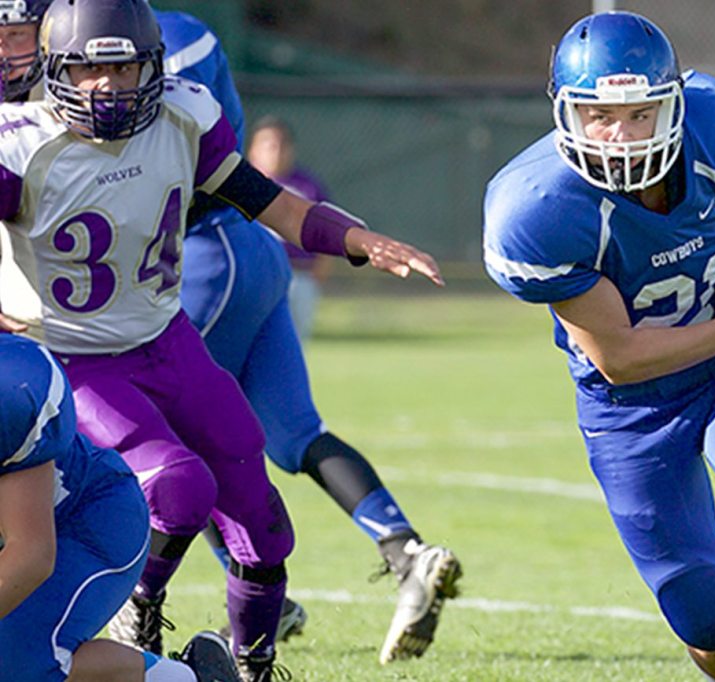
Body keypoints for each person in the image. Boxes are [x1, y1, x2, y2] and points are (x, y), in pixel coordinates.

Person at [0, 0, 442, 679]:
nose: (107, 87)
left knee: (263, 526)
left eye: (124, 69)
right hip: (73, 358)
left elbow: (271, 202)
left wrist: (357, 239)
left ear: (152, 68)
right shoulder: (20, 144)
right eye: (89, 70)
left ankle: (252, 666)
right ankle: (141, 610)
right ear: (57, 70)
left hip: (167, 340)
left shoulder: (182, 115)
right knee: (178, 487)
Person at [484, 11, 715, 682]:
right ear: (566, 113)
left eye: (641, 113)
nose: (622, 135)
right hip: (631, 408)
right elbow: (620, 358)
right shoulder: (537, 208)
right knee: (706, 619)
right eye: (600, 115)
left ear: (674, 103)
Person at [156, 9, 462, 665]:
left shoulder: (158, 44)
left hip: (202, 255)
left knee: (165, 442)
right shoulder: (182, 30)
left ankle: (180, 602)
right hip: (252, 248)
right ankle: (405, 552)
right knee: (296, 433)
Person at [0, 333, 243, 682]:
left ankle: (194, 677)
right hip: (28, 534)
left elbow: (31, 553)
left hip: (90, 521)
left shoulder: (12, 389)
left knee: (17, 666)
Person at [246, 115, 333, 342]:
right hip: (254, 276)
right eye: (269, 145)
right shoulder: (240, 185)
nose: (276, 152)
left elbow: (326, 231)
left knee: (294, 343)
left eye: (282, 145)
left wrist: (320, 269)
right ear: (253, 150)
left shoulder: (308, 185)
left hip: (298, 274)